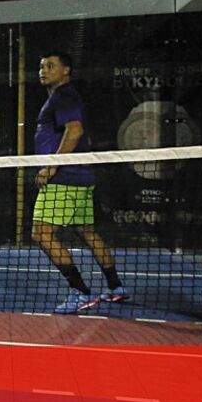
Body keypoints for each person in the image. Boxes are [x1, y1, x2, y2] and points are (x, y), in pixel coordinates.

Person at [31, 51, 128, 314]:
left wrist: (52, 167)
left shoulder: (63, 96)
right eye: (41, 66)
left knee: (41, 234)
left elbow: (75, 131)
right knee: (86, 232)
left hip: (64, 179)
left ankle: (80, 292)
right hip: (82, 177)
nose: (44, 70)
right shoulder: (63, 97)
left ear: (66, 71)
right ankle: (116, 287)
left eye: (51, 66)